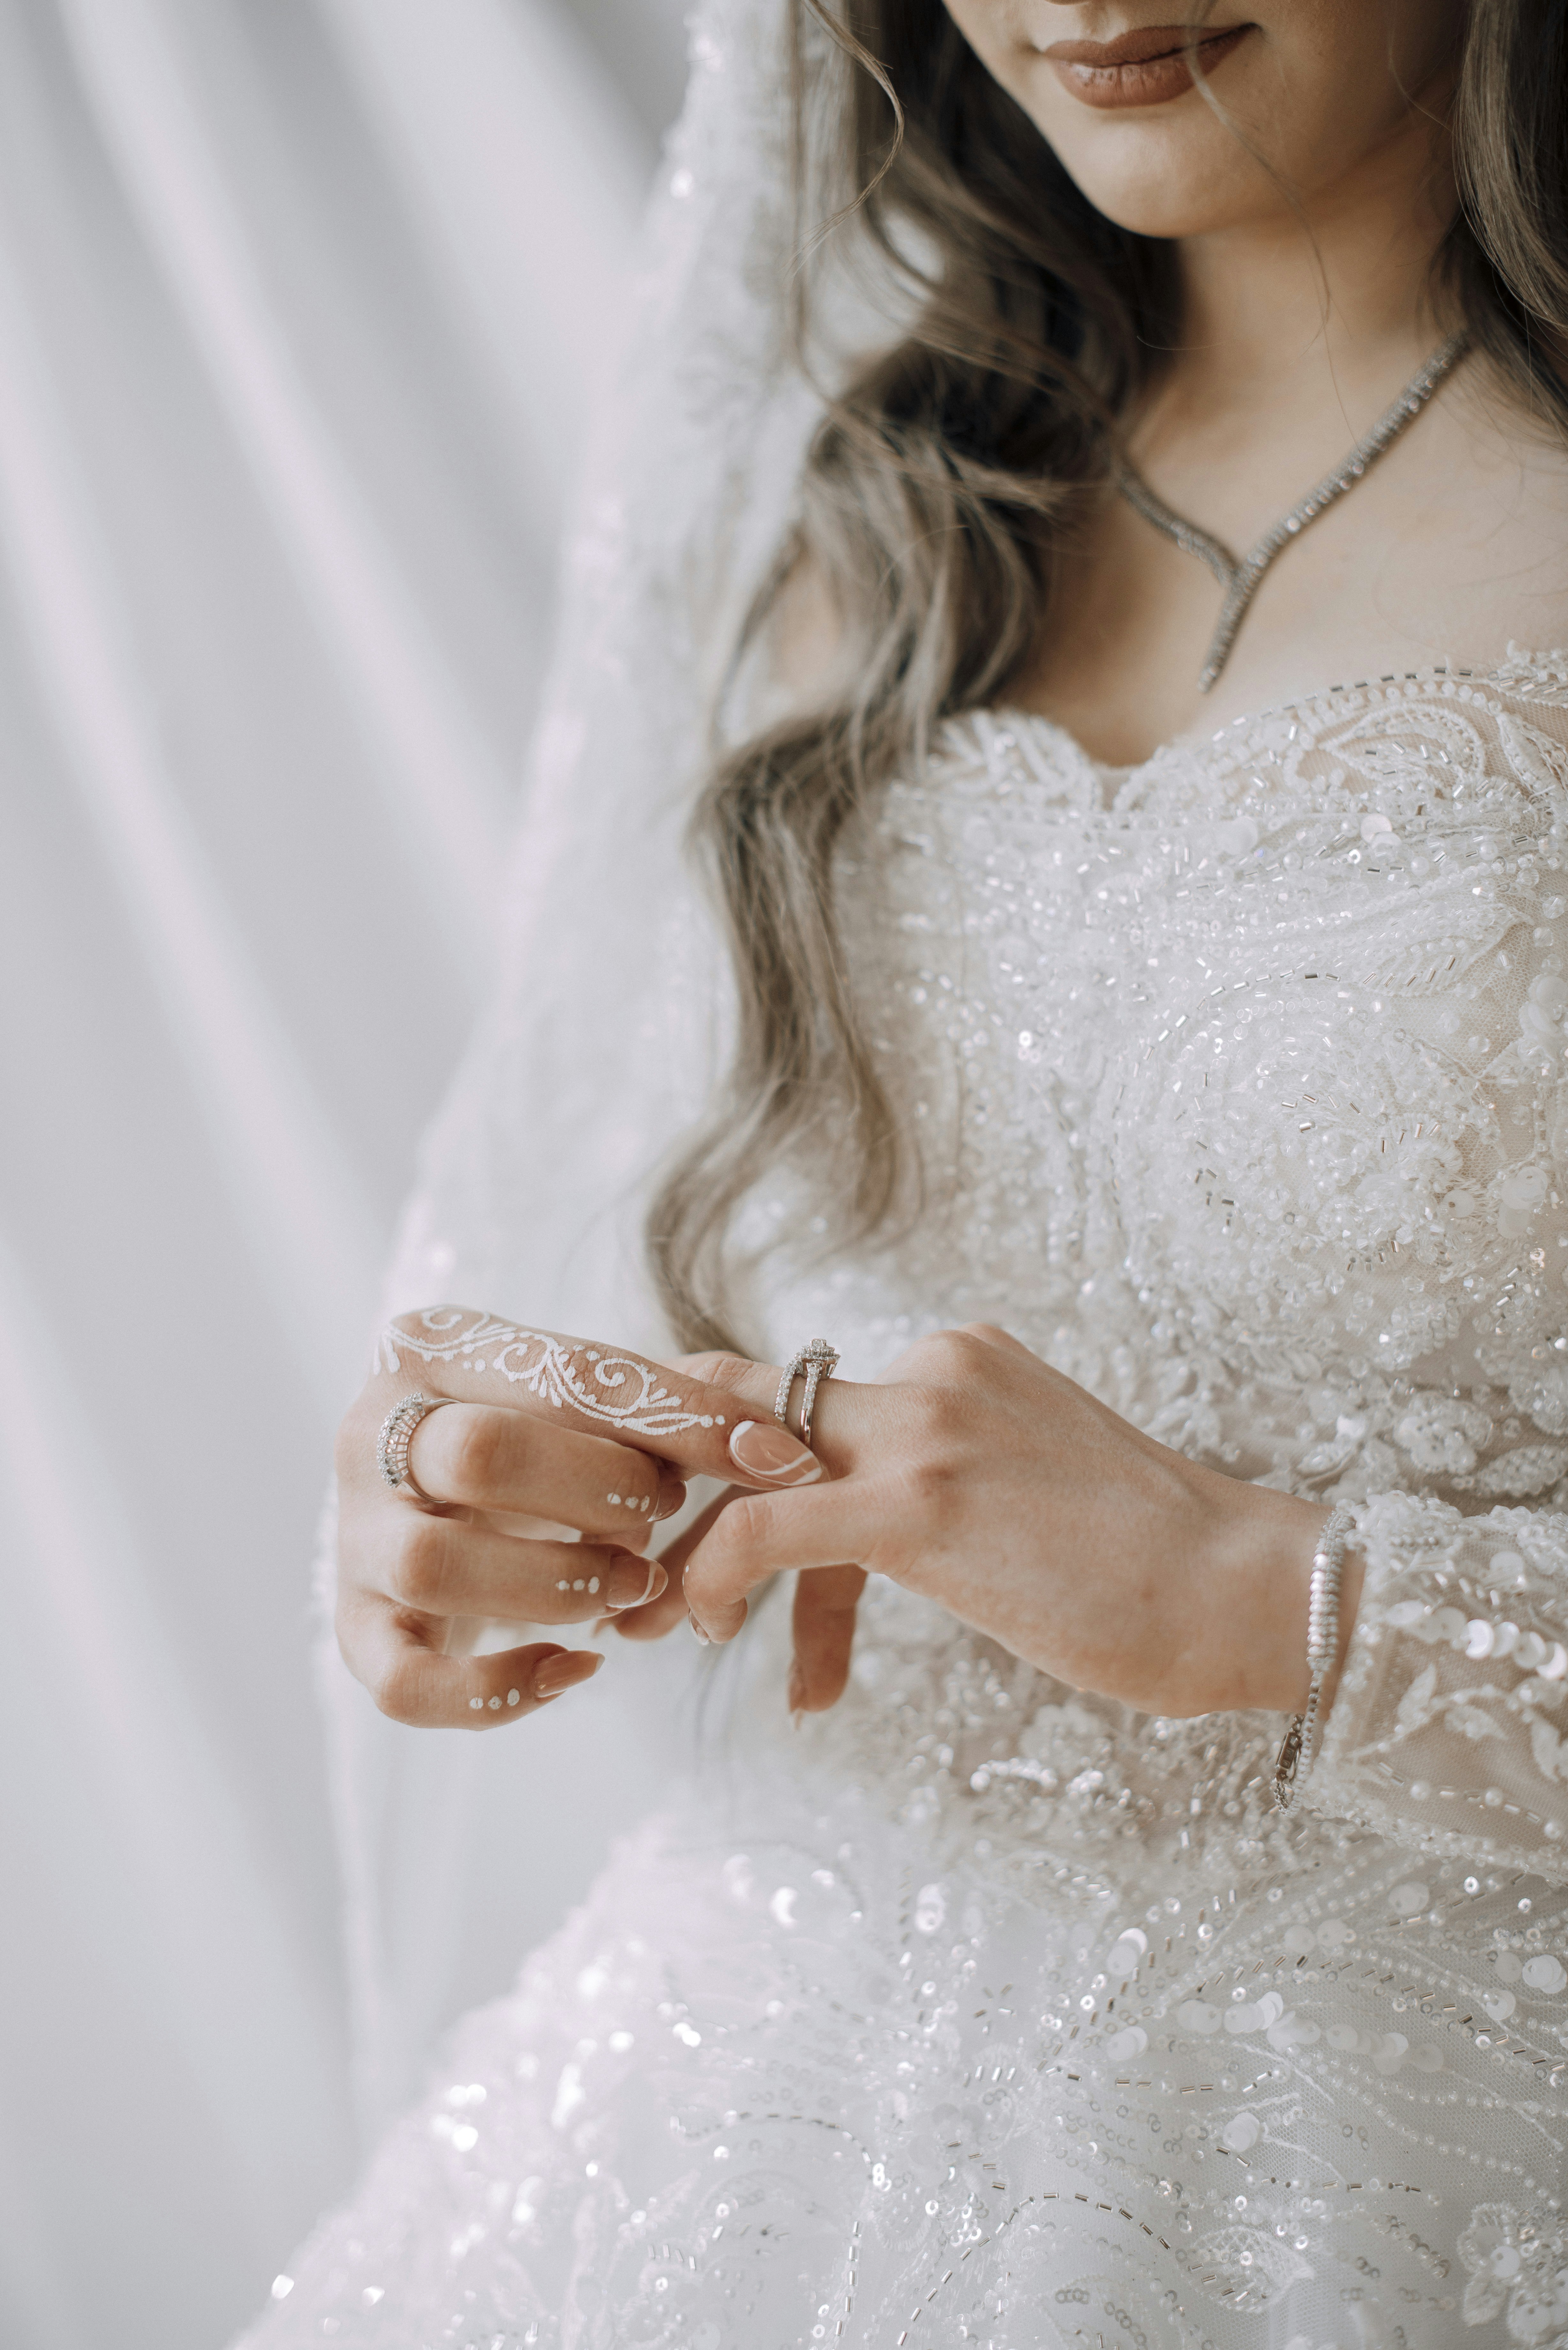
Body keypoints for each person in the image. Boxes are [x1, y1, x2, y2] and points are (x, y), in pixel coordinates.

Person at [242, 3, 1568, 2342]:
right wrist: (528, 1489)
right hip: (724, 2117)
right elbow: (718, 1306)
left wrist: (1285, 1603)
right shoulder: (885, 534)